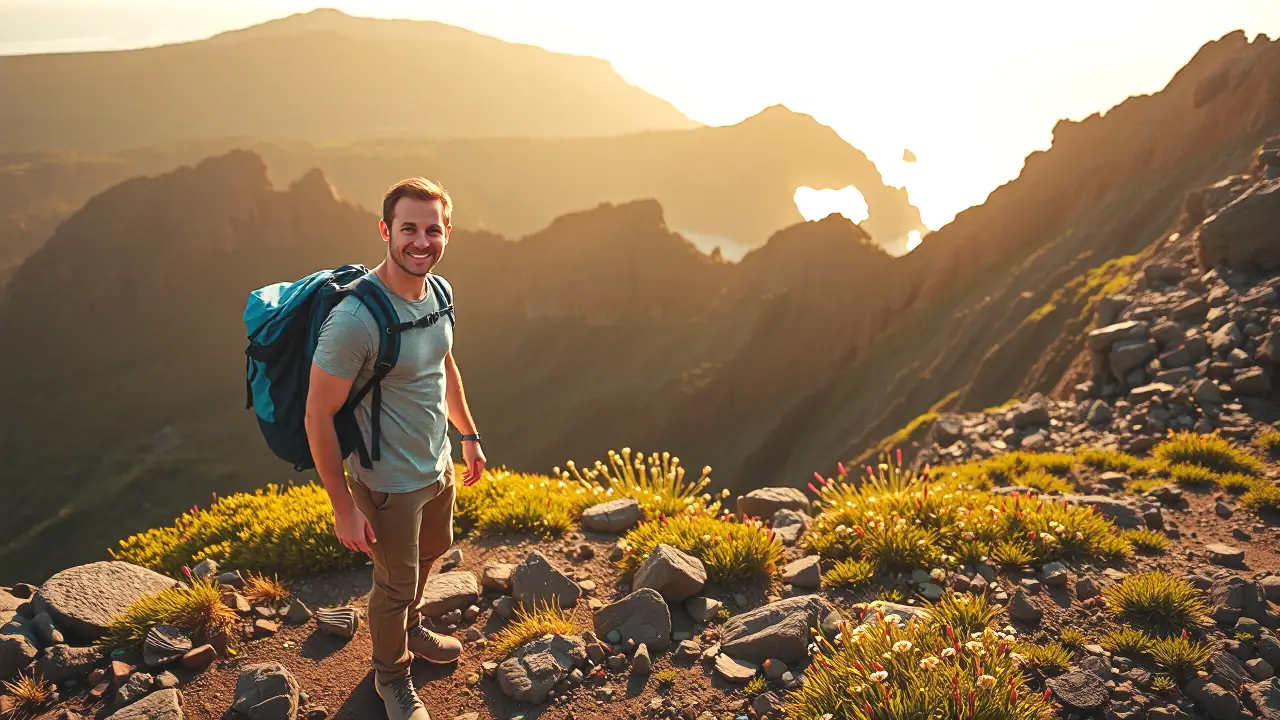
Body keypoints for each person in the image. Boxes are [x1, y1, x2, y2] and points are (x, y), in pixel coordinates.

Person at [305, 177, 486, 720]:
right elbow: (317, 414)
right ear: (386, 230)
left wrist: (469, 435)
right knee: (394, 583)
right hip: (385, 483)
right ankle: (391, 676)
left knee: (432, 552)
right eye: (408, 228)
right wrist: (344, 505)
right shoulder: (356, 320)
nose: (420, 241)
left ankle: (409, 627)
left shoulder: (441, 293)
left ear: (447, 233)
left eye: (433, 229)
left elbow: (443, 366)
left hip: (438, 467)